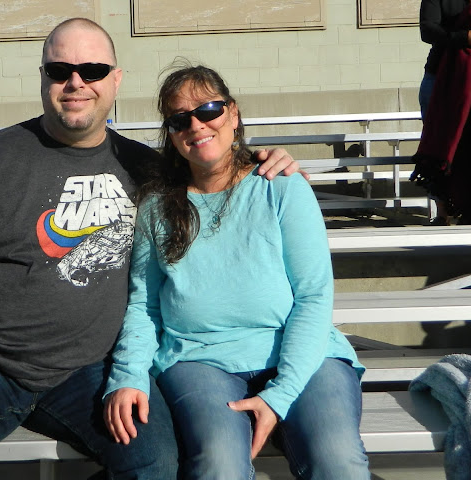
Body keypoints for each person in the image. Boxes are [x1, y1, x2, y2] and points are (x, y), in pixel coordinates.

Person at [0, 18, 300, 479]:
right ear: (43, 78)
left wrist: (262, 162)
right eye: (59, 70)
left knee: (160, 465)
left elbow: (215, 171)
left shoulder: (148, 170)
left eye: (93, 70)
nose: (76, 82)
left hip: (92, 368)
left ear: (115, 80)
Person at [103, 63, 370, 480]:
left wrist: (280, 394)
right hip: (199, 359)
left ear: (233, 113)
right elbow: (145, 305)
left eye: (209, 110)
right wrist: (129, 375)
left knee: (337, 459)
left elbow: (313, 295)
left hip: (303, 354)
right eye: (179, 119)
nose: (196, 125)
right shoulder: (157, 206)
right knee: (219, 464)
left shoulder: (281, 185)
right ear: (171, 134)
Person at [415, 0, 471, 225]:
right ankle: (442, 212)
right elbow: (428, 29)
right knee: (439, 143)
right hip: (440, 78)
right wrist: (463, 38)